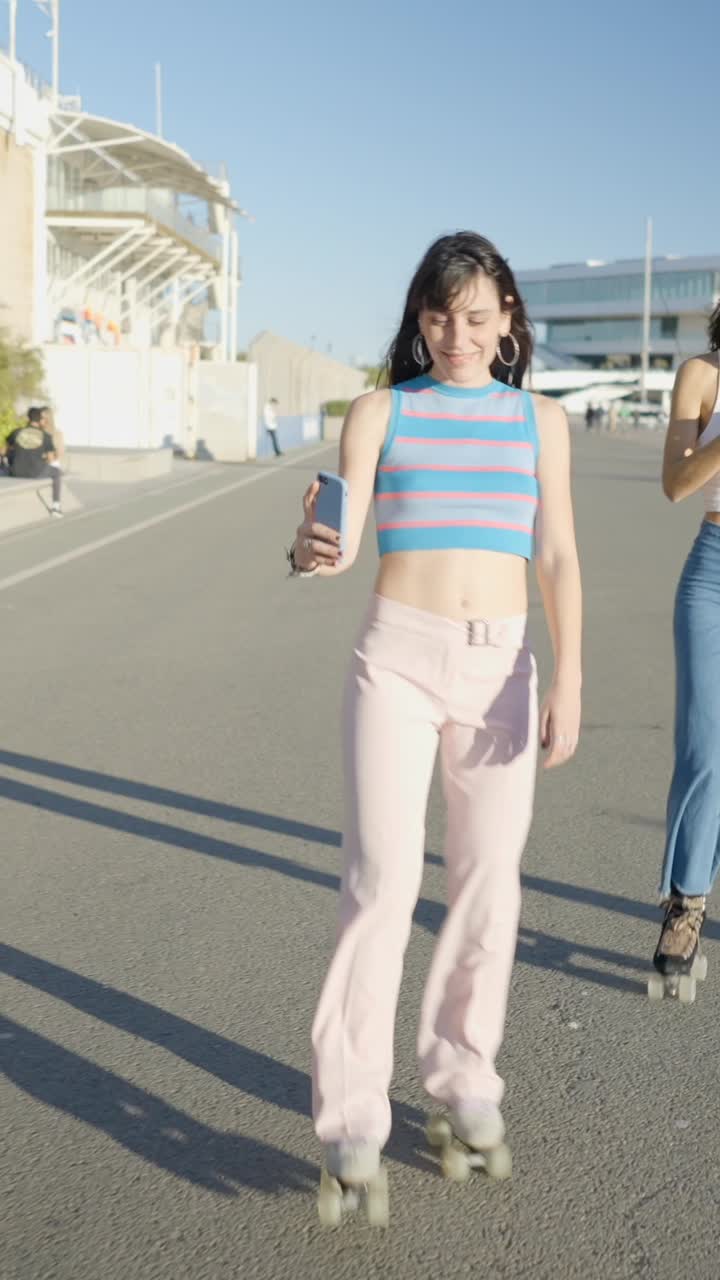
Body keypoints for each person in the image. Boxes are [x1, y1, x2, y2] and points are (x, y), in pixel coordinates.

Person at [287, 232, 582, 1201]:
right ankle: (354, 1116)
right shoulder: (379, 411)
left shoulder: (542, 421)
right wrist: (309, 545)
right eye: (440, 315)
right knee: (381, 879)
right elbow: (340, 541)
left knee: (489, 884)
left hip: (502, 665)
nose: (458, 333)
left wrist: (568, 679)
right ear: (420, 320)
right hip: (397, 659)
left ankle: (463, 1077)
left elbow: (559, 559)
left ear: (507, 326)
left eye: (478, 317)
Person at [653, 304, 720, 984]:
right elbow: (675, 485)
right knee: (704, 747)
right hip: (714, 573)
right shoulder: (701, 376)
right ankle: (686, 903)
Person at [0, 407, 63, 516]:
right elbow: (51, 459)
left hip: (16, 472)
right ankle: (56, 507)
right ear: (40, 420)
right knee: (57, 472)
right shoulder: (45, 436)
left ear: (28, 419)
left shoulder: (16, 432)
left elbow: (2, 451)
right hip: (36, 473)